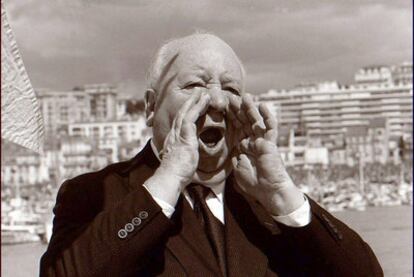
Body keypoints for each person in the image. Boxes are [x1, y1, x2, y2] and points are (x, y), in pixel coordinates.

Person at [40, 33, 383, 277]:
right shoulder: (93, 195)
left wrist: (281, 194)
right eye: (194, 85)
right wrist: (170, 178)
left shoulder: (269, 205)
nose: (216, 102)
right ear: (150, 107)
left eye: (231, 89)